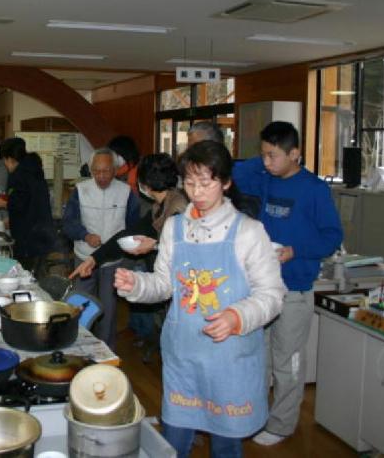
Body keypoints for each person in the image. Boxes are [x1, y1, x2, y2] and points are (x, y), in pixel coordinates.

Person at [114, 140, 286, 458]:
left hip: (228, 360)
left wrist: (237, 316)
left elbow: (272, 295)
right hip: (184, 355)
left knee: (225, 445)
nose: (197, 192)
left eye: (206, 183)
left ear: (226, 182)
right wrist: (136, 285)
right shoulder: (175, 228)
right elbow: (165, 284)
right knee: (174, 441)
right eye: (190, 183)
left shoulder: (249, 232)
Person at [232, 121, 343, 447]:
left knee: (287, 362)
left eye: (273, 156)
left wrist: (296, 251)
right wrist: (266, 158)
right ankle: (258, 415)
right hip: (261, 286)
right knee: (259, 358)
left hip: (294, 289)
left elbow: (332, 236)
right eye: (263, 155)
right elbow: (233, 173)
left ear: (295, 154)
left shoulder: (314, 189)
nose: (266, 162)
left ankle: (282, 424)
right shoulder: (265, 177)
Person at [70, 153, 187, 352]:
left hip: (185, 286)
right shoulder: (160, 206)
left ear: (145, 185)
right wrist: (93, 259)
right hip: (167, 281)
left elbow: (185, 250)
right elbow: (128, 234)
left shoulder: (177, 208)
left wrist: (156, 245)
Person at [63, 147, 140, 350]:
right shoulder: (81, 190)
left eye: (106, 171)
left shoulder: (126, 193)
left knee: (108, 308)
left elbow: (133, 227)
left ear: (115, 170)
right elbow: (68, 222)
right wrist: (85, 235)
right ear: (91, 170)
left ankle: (105, 352)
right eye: (96, 171)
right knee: (80, 306)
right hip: (83, 257)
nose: (101, 176)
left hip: (112, 261)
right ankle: (79, 348)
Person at [0, 137, 54, 278]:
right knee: (38, 273)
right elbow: (29, 201)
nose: (6, 166)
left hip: (29, 237)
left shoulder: (19, 175)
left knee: (27, 276)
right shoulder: (34, 169)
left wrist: (1, 203)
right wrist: (11, 217)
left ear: (9, 159)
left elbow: (20, 203)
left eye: (4, 161)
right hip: (42, 233)